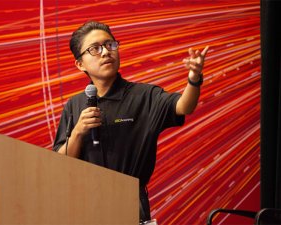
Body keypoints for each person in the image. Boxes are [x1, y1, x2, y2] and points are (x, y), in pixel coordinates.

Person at [53, 20, 209, 223]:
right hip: (84, 204)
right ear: (80, 64)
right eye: (95, 49)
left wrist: (194, 78)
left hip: (129, 202)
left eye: (110, 45)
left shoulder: (144, 95)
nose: (105, 52)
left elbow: (184, 106)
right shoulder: (74, 105)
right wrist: (77, 133)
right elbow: (60, 164)